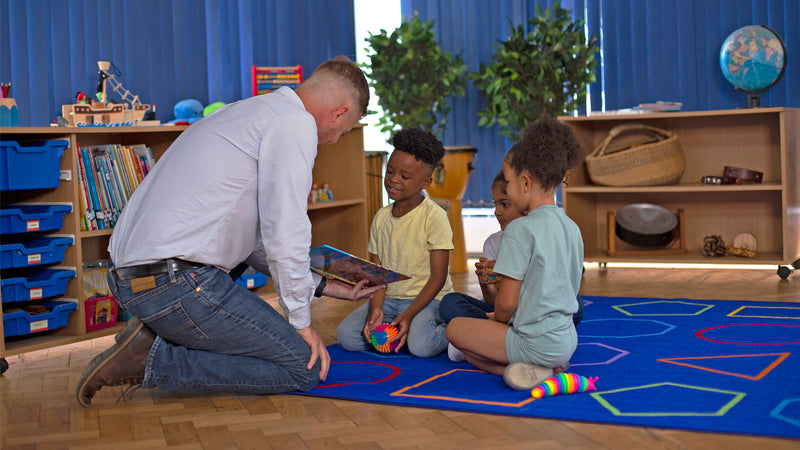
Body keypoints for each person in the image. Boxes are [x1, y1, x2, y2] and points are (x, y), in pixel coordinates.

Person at [76, 56, 386, 407]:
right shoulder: (294, 124)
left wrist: (324, 286)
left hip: (133, 279)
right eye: (344, 132)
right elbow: (286, 231)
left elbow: (253, 239)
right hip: (174, 283)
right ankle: (152, 361)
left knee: (277, 341)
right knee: (304, 368)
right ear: (340, 113)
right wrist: (300, 322)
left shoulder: (251, 111)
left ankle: (155, 338)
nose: (334, 140)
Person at [445, 118, 584, 390]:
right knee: (479, 338)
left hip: (534, 342)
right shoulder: (571, 226)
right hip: (567, 341)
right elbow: (569, 289)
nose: (506, 189)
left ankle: (534, 369)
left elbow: (507, 304)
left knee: (455, 331)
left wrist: (496, 319)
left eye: (507, 182)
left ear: (525, 181)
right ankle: (546, 366)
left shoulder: (520, 229)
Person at [440, 170, 585, 362]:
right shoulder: (493, 243)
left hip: (528, 316)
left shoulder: (529, 233)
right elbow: (494, 301)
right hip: (517, 319)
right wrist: (487, 281)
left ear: (524, 203)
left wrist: (509, 277)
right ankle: (498, 336)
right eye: (495, 204)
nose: (497, 212)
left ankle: (489, 340)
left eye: (505, 204)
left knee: (578, 304)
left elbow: (540, 292)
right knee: (450, 303)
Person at [336, 128, 454, 357]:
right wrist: (377, 309)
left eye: (405, 176)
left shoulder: (434, 217)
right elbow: (376, 273)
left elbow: (438, 278)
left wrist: (409, 315)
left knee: (422, 346)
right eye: (390, 171)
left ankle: (457, 328)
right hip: (389, 300)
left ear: (426, 182)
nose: (393, 179)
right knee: (347, 336)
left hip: (428, 300)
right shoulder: (381, 217)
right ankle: (404, 330)